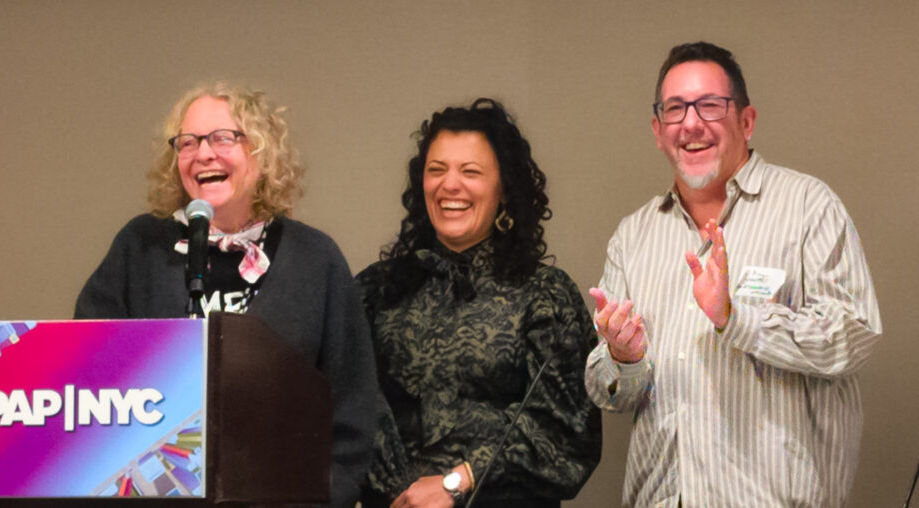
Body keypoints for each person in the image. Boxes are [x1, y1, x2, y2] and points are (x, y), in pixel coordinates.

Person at [584, 42, 882, 507]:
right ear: (658, 130)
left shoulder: (807, 206)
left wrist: (735, 318)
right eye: (675, 109)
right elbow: (612, 393)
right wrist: (624, 358)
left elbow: (853, 334)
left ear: (746, 121)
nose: (691, 123)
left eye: (710, 105)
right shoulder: (633, 235)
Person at [75, 82, 376, 507]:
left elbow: (353, 404)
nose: (203, 154)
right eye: (188, 142)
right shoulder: (139, 247)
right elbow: (86, 377)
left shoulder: (315, 259)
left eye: (223, 138)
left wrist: (328, 497)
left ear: (262, 152)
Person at [357, 98, 602, 508]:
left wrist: (457, 482)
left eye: (470, 172)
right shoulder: (374, 291)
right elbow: (340, 409)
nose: (450, 184)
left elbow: (569, 439)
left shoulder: (545, 295)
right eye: (437, 170)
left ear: (503, 189)